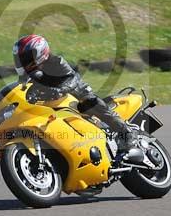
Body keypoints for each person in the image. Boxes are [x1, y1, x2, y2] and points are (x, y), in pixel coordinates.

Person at [13, 34, 143, 164]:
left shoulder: (56, 62)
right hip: (50, 105)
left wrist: (59, 89)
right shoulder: (27, 78)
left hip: (74, 94)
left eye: (27, 58)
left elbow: (72, 78)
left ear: (40, 51)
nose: (24, 62)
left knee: (88, 103)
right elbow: (20, 92)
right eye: (21, 60)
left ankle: (127, 133)